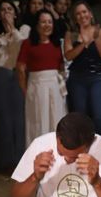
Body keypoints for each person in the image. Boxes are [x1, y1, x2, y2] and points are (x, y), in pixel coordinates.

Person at [0, 0, 30, 171]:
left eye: (9, 9)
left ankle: (21, 158)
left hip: (19, 73)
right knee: (4, 118)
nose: (6, 13)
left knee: (20, 117)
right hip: (0, 74)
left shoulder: (25, 29)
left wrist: (11, 29)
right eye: (2, 10)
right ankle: (6, 159)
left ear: (15, 12)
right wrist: (4, 36)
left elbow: (23, 46)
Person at [16, 9, 66, 147]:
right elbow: (20, 68)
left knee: (56, 121)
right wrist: (26, 90)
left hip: (55, 87)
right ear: (37, 25)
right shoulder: (28, 43)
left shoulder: (57, 44)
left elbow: (61, 67)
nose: (47, 25)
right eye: (43, 21)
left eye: (50, 22)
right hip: (37, 87)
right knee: (38, 122)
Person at [64, 1, 101, 137]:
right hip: (77, 78)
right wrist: (83, 43)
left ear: (90, 14)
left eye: (84, 12)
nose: (82, 15)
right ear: (75, 18)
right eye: (78, 13)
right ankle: (82, 147)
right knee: (80, 116)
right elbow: (68, 56)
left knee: (99, 115)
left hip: (97, 77)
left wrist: (95, 38)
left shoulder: (100, 31)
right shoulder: (71, 34)